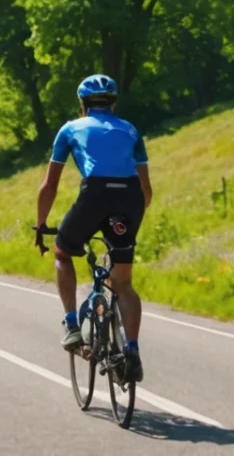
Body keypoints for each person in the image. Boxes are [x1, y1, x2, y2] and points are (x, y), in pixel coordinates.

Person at [34, 74, 152, 381]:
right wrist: (128, 228)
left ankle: (72, 325)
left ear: (82, 103)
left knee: (62, 253)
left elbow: (50, 185)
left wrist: (41, 225)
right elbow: (146, 190)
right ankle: (132, 350)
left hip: (95, 195)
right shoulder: (130, 129)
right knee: (123, 282)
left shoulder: (71, 129)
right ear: (113, 103)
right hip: (130, 199)